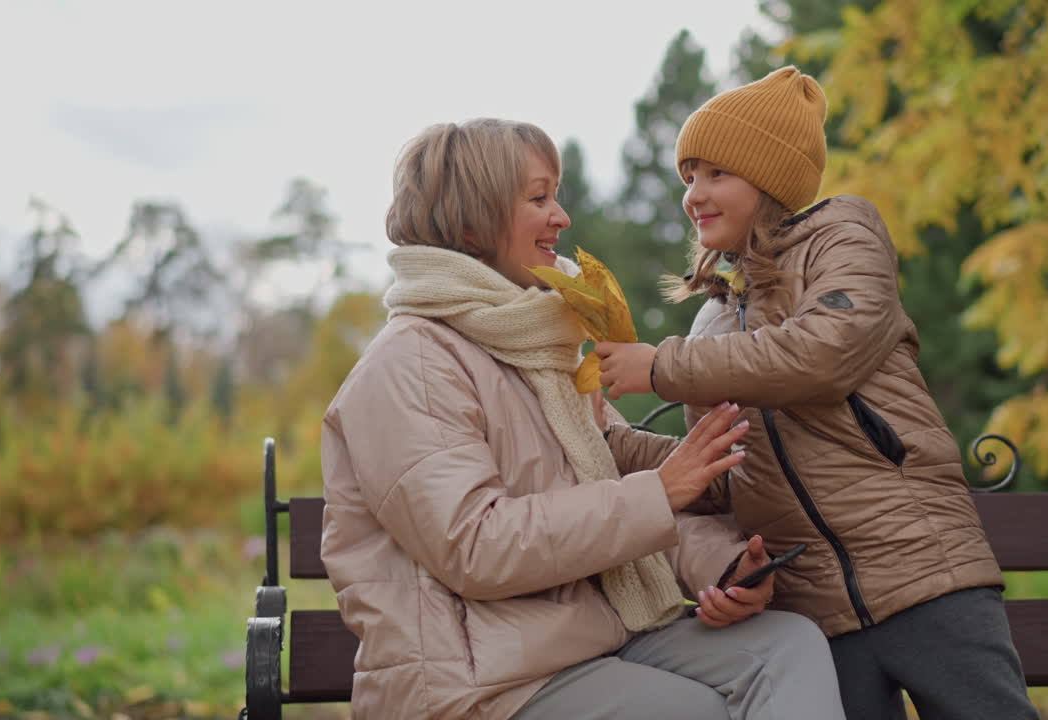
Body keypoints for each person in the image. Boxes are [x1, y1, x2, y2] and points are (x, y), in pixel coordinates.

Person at [318, 117, 846, 720]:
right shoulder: (408, 364)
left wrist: (722, 568)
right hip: (483, 683)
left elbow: (604, 490)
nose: (561, 217)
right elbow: (477, 548)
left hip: (591, 637)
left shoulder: (540, 342)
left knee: (787, 646)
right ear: (470, 223)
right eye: (538, 198)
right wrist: (661, 492)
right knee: (694, 711)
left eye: (556, 196)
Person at [596, 67, 1040, 720]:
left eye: (716, 173)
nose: (694, 195)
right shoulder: (711, 322)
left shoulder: (844, 235)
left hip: (922, 574)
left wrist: (660, 367)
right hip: (813, 614)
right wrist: (609, 440)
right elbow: (723, 475)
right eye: (688, 176)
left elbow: (823, 353)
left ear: (770, 178)